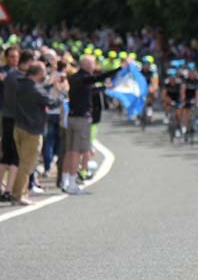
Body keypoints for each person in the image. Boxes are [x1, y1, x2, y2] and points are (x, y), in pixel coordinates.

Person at [62, 55, 120, 194]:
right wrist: (119, 69)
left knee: (70, 151)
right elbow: (96, 79)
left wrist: (102, 88)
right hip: (82, 119)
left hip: (72, 117)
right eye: (93, 64)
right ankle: (72, 184)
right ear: (88, 65)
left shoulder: (75, 78)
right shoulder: (85, 78)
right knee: (77, 151)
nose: (94, 66)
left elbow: (88, 90)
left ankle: (64, 181)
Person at [12, 62, 60, 205]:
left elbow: (38, 91)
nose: (45, 74)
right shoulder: (35, 90)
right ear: (38, 73)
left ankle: (23, 192)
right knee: (27, 164)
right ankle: (18, 195)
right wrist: (62, 93)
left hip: (19, 127)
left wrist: (51, 86)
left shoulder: (21, 84)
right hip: (32, 131)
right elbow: (51, 102)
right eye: (44, 72)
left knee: (23, 162)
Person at [0, 50, 34, 201]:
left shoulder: (9, 76)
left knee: (6, 155)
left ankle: (4, 187)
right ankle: (9, 190)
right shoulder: (21, 78)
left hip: (7, 117)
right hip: (15, 119)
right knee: (15, 157)